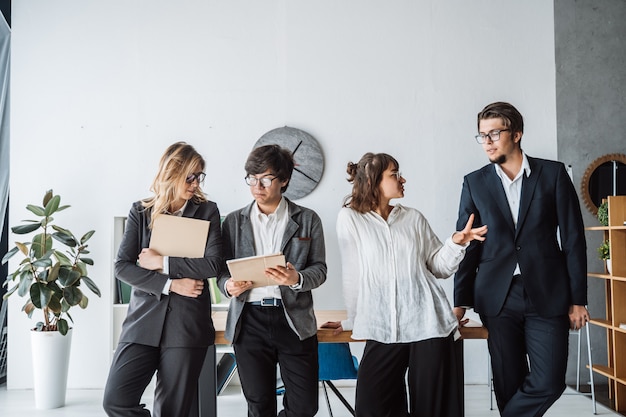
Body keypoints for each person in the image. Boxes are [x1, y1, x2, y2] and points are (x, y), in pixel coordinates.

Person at [323, 152, 487, 417]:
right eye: (395, 174)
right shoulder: (350, 218)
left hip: (428, 325)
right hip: (383, 328)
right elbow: (353, 275)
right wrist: (353, 320)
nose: (403, 179)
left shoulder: (413, 218)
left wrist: (456, 243)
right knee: (372, 408)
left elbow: (439, 267)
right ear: (373, 181)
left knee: (432, 411)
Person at [453, 101, 589, 416]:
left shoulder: (552, 174)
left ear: (516, 134)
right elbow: (468, 243)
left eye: (494, 133)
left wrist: (578, 299)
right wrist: (460, 299)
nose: (486, 142)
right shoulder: (474, 182)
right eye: (481, 135)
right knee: (508, 384)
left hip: (548, 293)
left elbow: (572, 239)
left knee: (550, 382)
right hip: (497, 298)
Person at [103, 142, 223, 417]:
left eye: (199, 176)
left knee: (171, 410)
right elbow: (122, 267)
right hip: (143, 322)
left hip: (186, 325)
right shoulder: (140, 211)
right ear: (171, 173)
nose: (195, 183)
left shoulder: (208, 211)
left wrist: (162, 262)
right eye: (189, 177)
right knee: (116, 401)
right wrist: (171, 284)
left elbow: (213, 264)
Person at [217, 144, 327, 417]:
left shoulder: (307, 219)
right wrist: (228, 286)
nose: (257, 186)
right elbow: (221, 272)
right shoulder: (232, 222)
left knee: (304, 407)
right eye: (252, 179)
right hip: (249, 320)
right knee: (259, 405)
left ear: (285, 180)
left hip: (294, 320)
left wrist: (296, 278)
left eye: (266, 179)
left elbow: (320, 269)